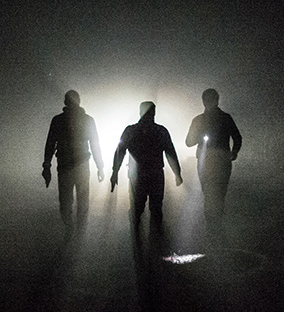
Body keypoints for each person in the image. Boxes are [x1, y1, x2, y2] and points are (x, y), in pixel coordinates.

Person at [110, 101, 183, 238]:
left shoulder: (130, 130)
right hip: (156, 174)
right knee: (156, 208)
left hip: (137, 175)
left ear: (140, 112)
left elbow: (120, 152)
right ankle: (156, 239)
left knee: (137, 208)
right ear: (154, 113)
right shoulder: (161, 131)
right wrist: (177, 173)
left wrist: (115, 173)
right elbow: (170, 153)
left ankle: (137, 236)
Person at [42, 90, 105, 236]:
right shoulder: (88, 120)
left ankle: (70, 228)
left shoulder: (58, 120)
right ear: (79, 101)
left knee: (65, 202)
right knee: (82, 201)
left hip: (64, 167)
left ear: (65, 102)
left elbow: (50, 144)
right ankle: (79, 232)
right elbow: (95, 145)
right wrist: (100, 166)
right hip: (82, 166)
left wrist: (47, 165)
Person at [185, 88, 242, 226]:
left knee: (208, 193)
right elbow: (237, 137)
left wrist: (199, 137)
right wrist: (234, 152)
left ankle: (211, 222)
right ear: (217, 100)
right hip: (222, 161)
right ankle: (217, 222)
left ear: (203, 101)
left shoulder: (198, 120)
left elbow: (188, 142)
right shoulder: (226, 118)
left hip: (205, 162)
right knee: (220, 193)